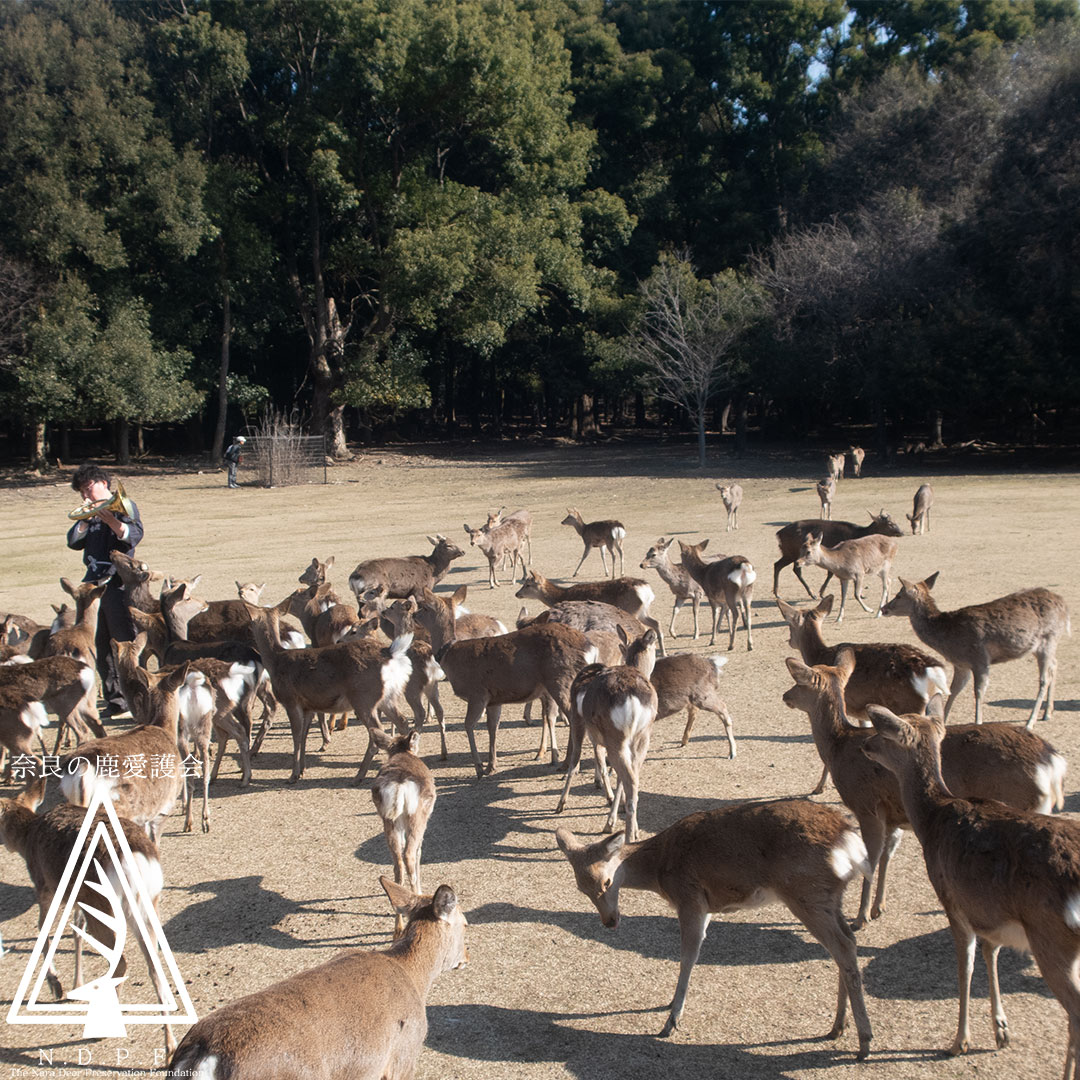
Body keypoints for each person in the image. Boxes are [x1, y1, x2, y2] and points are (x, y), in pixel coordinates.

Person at [66, 464, 144, 720]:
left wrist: (110, 519)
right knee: (99, 643)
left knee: (123, 640)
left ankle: (137, 698)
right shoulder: (88, 514)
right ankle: (116, 701)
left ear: (103, 483)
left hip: (117, 582)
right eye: (81, 492)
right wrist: (85, 521)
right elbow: (73, 542)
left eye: (88, 488)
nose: (85, 496)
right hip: (92, 586)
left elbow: (133, 535)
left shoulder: (124, 506)